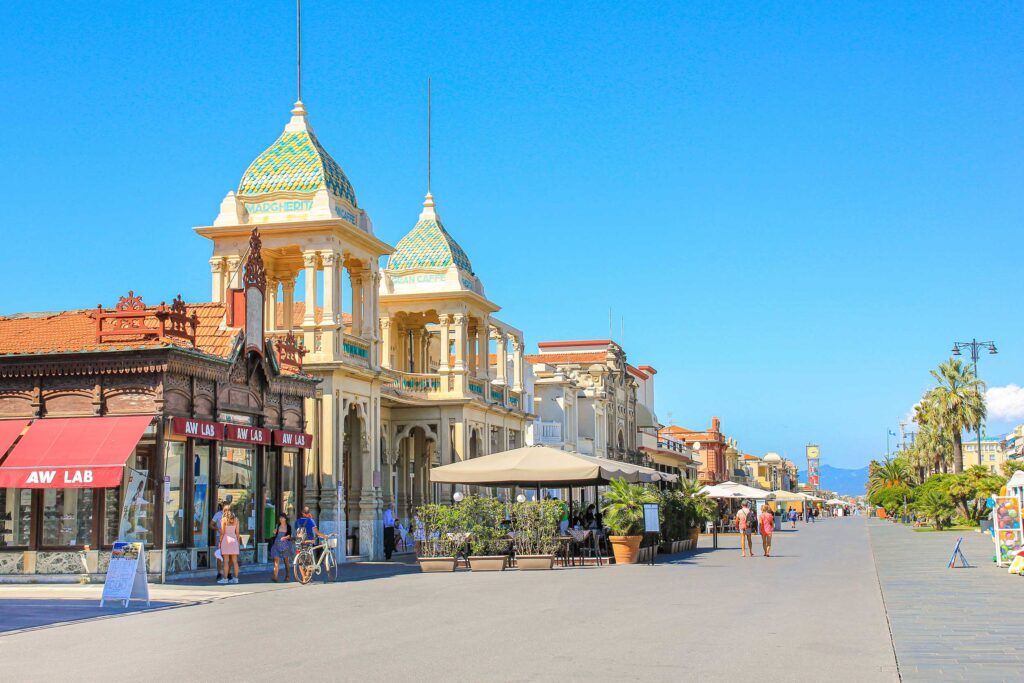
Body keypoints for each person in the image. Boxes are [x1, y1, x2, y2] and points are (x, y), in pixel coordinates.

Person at [294, 506, 329, 581]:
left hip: (299, 542)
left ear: (302, 513)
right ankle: (307, 576)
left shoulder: (297, 521)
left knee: (300, 560)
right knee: (309, 560)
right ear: (308, 513)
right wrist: (324, 536)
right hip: (308, 542)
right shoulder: (310, 521)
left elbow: (296, 531)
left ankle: (304, 577)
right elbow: (317, 532)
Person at [210, 494, 233, 582]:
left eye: (228, 504)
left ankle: (228, 572)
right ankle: (219, 573)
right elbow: (211, 525)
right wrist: (218, 529)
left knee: (230, 556)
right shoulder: (218, 514)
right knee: (220, 555)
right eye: (225, 504)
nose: (227, 506)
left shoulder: (232, 515)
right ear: (223, 506)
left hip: (229, 537)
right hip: (220, 537)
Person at [218, 504, 240, 584]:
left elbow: (222, 532)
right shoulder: (236, 519)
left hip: (226, 540)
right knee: (235, 561)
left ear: (225, 511)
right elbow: (237, 533)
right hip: (234, 540)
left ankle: (225, 578)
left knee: (226, 561)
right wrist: (238, 542)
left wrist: (220, 542)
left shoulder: (223, 519)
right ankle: (236, 578)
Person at [269, 513, 294, 582]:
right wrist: (274, 532)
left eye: (282, 518)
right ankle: (275, 576)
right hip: (277, 545)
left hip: (285, 545)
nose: (280, 519)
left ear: (285, 519)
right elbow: (274, 533)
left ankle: (287, 576)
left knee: (286, 562)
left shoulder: (288, 526)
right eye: (280, 518)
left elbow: (289, 536)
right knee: (276, 561)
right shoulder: (278, 526)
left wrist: (284, 537)